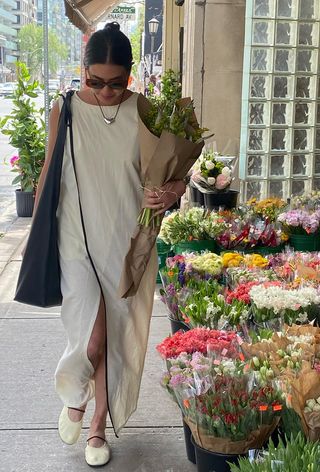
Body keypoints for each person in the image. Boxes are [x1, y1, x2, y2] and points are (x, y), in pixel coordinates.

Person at [34, 22, 186, 467]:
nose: (104, 91)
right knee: (92, 333)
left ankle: (96, 424)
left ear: (130, 75)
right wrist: (38, 235)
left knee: (115, 337)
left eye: (115, 83)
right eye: (94, 81)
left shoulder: (147, 112)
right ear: (82, 71)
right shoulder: (63, 110)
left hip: (127, 238)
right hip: (75, 236)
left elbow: (172, 173)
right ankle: (76, 395)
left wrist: (172, 191)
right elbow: (48, 169)